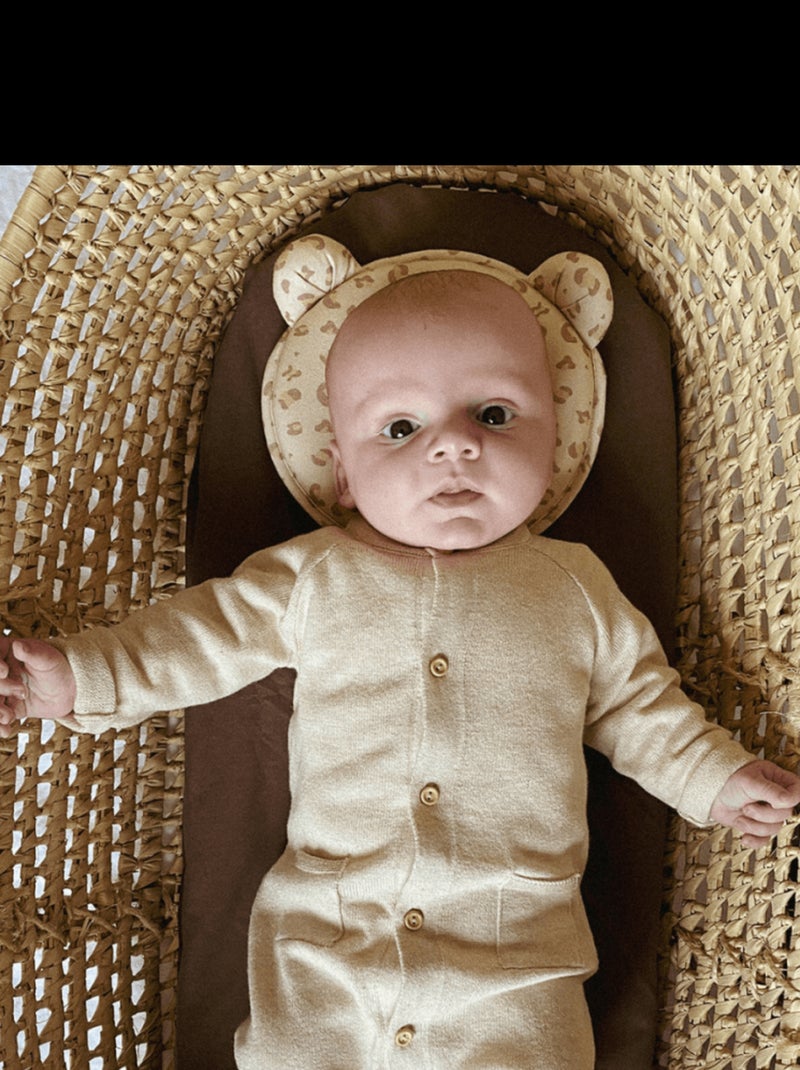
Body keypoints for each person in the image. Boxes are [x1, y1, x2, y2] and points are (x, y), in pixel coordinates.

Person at [1, 239, 799, 1069]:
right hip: (326, 945)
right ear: (344, 473)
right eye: (401, 427)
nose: (452, 446)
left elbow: (640, 707)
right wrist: (80, 676)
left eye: (493, 415)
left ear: (554, 437)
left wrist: (714, 779)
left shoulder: (573, 587)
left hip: (515, 958)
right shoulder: (315, 576)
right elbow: (198, 640)